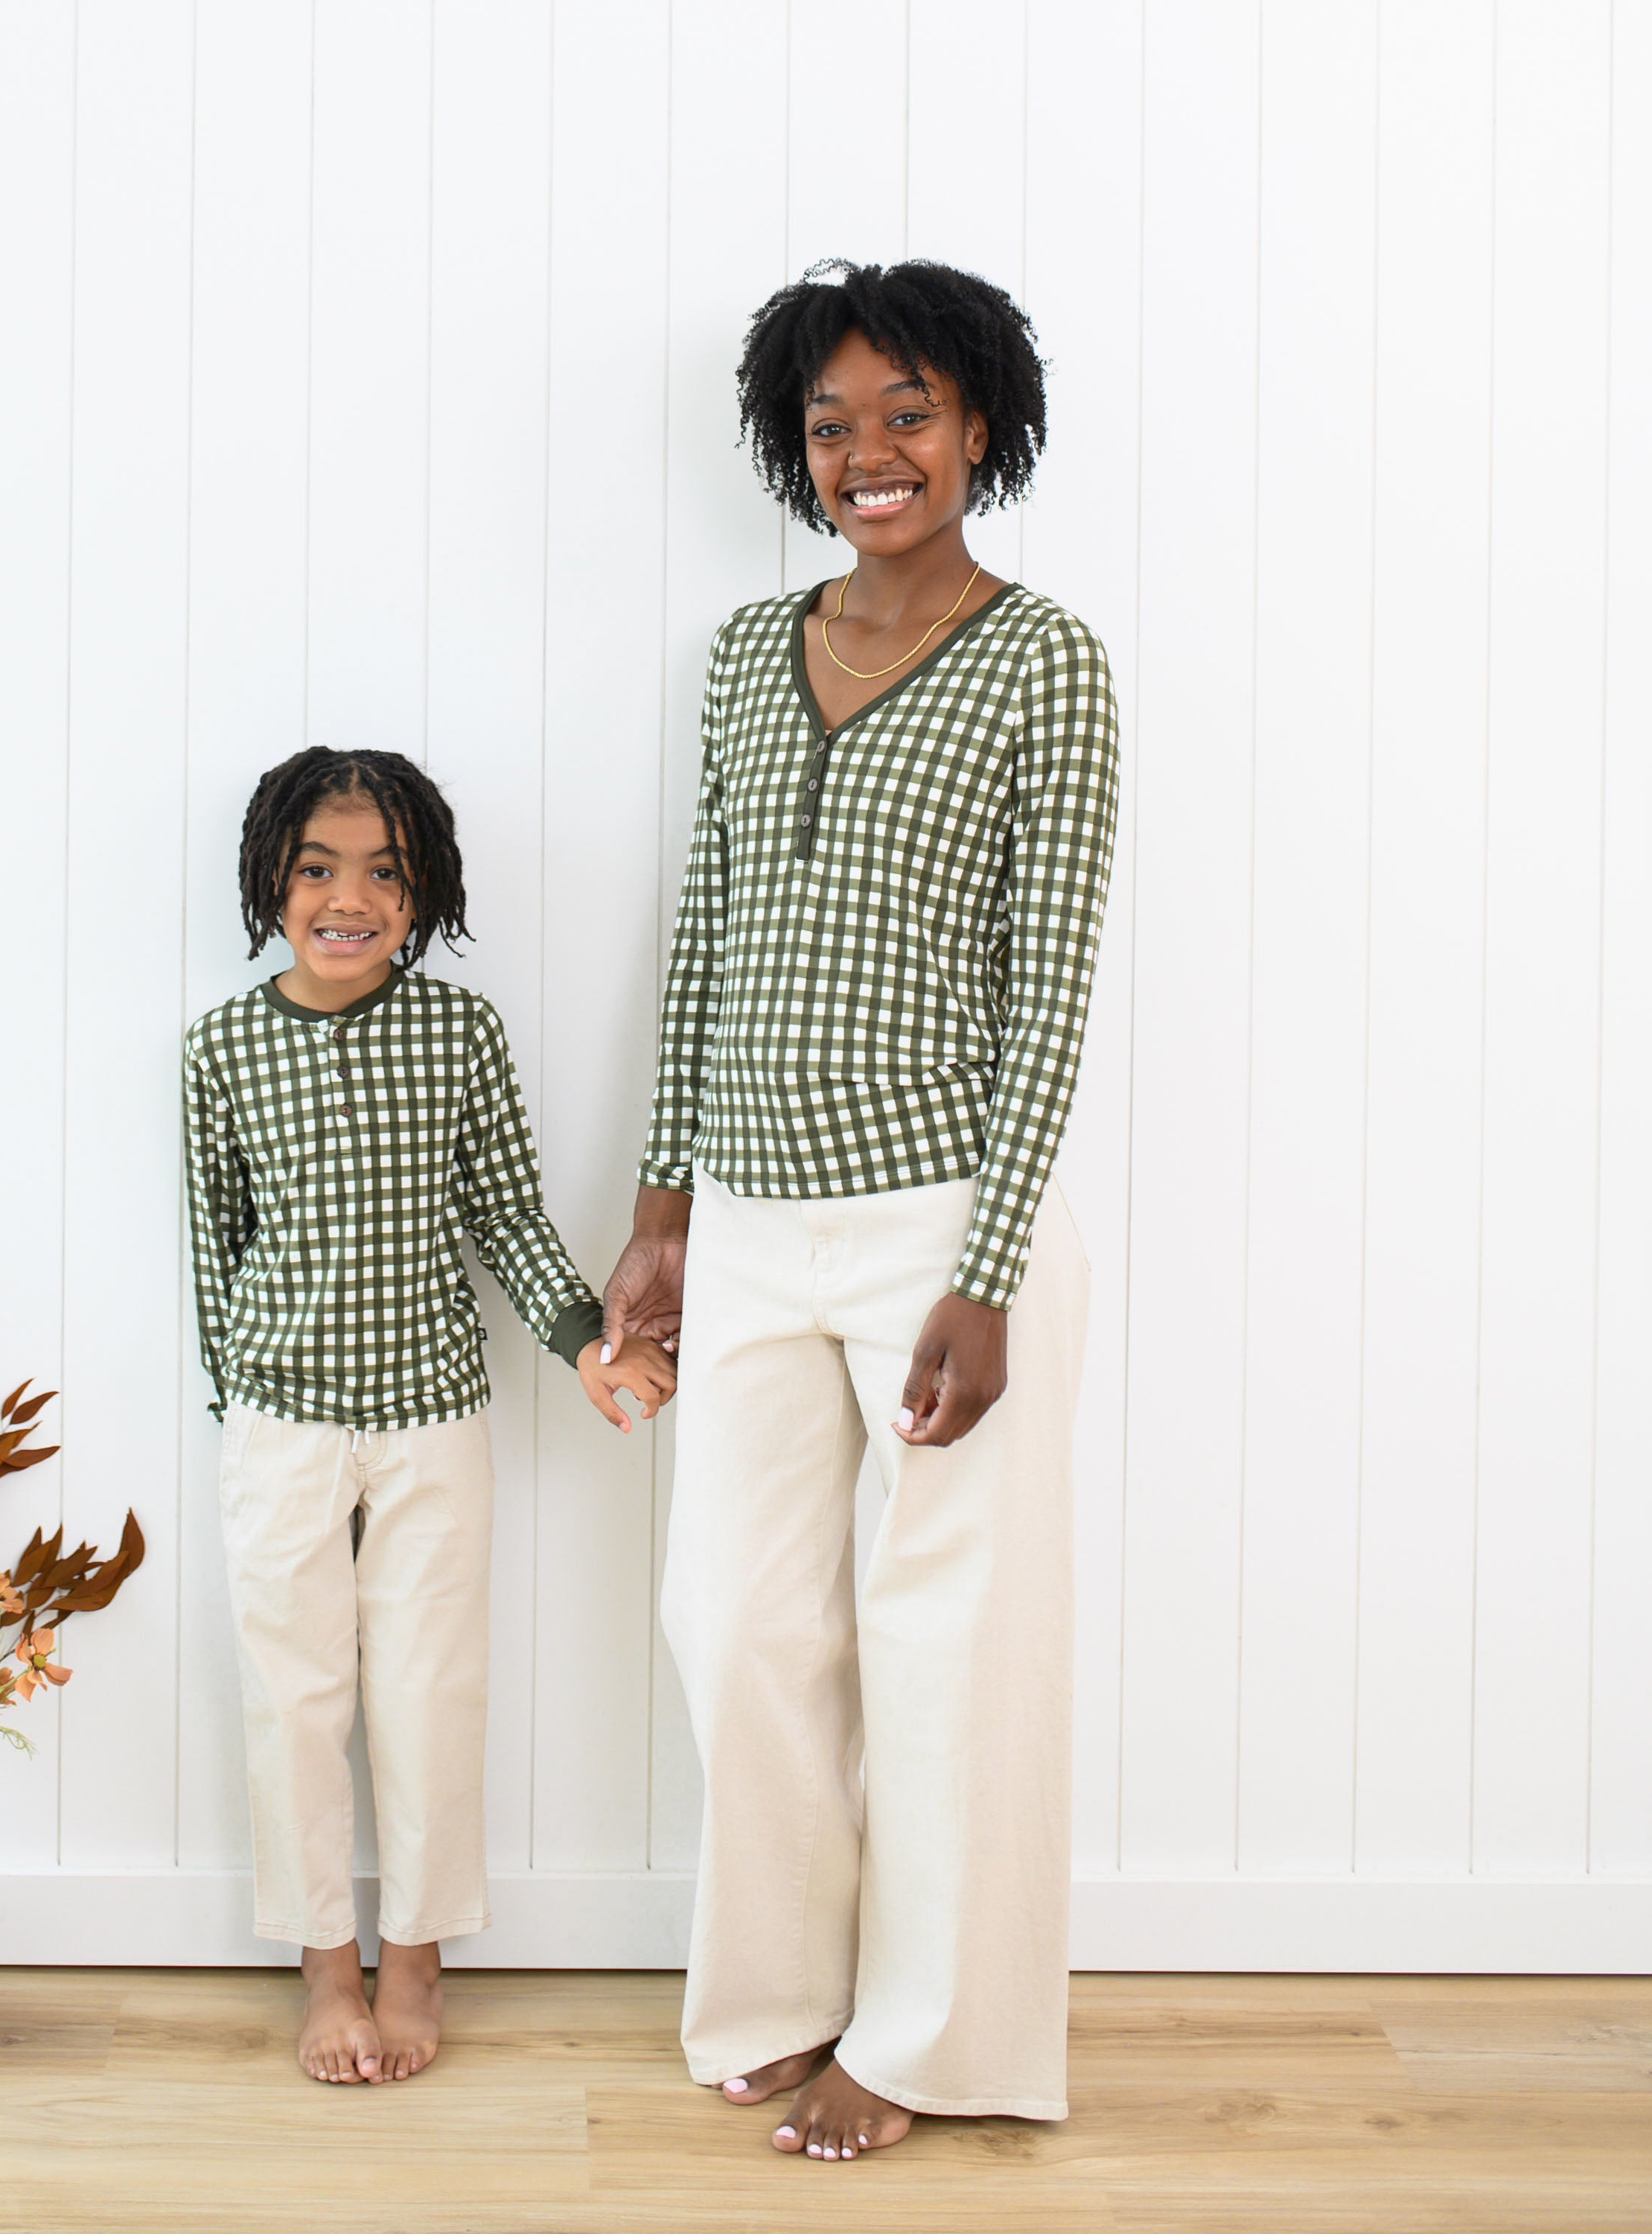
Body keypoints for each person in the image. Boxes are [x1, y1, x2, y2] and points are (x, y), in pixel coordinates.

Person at [602, 260, 1120, 2160]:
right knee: (736, 1621)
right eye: (832, 424)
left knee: (946, 1646)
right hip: (744, 1218)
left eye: (909, 412)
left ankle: (926, 2038)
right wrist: (660, 1207)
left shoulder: (1047, 659)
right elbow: (707, 933)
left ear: (981, 423)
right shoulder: (751, 651)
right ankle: (776, 1993)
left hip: (938, 1230)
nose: (869, 453)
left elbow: (1048, 984)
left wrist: (986, 1276)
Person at [185, 746, 676, 2086]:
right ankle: (324, 1970)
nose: (351, 898)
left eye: (386, 874)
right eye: (319, 869)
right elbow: (213, 1247)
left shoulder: (457, 1034)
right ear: (272, 884)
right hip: (281, 1425)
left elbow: (508, 1214)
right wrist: (246, 1407)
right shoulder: (223, 1048)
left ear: (423, 895)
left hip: (432, 1422)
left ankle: (416, 1957)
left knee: (427, 1690)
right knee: (293, 1700)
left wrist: (586, 1343)